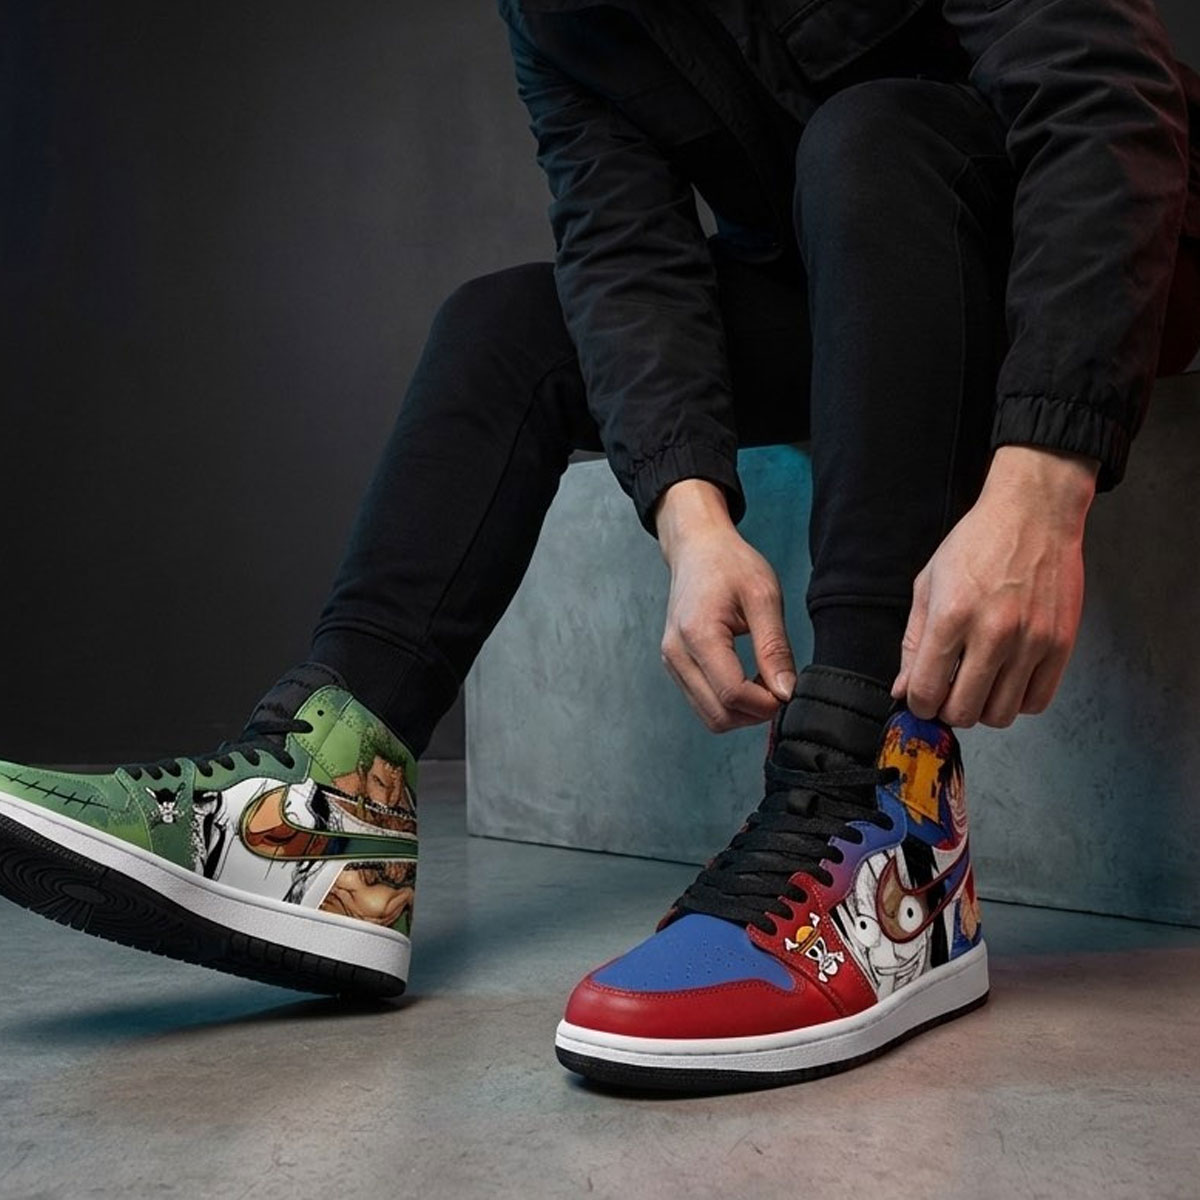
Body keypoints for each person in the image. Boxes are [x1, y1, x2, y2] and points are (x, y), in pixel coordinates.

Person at [0, 0, 1194, 1093]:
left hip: (1089, 243)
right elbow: (621, 244)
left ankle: (878, 804)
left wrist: (1046, 478)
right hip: (850, 290)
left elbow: (1103, 91)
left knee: (872, 133)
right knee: (505, 328)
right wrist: (691, 514)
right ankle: (324, 810)